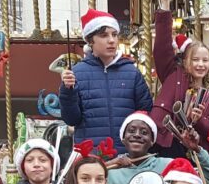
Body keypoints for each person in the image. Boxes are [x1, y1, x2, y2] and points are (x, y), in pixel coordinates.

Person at [148, 0, 209, 159]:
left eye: (204, 60)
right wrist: (165, 6)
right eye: (195, 59)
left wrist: (201, 121)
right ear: (185, 62)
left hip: (193, 148)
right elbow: (162, 47)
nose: (200, 64)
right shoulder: (173, 74)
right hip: (165, 142)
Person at [60, 9, 154, 153]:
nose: (111, 40)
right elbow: (71, 119)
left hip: (128, 156)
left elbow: (146, 112)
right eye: (104, 35)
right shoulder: (77, 73)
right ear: (91, 41)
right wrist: (68, 91)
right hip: (92, 158)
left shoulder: (131, 72)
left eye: (114, 35)